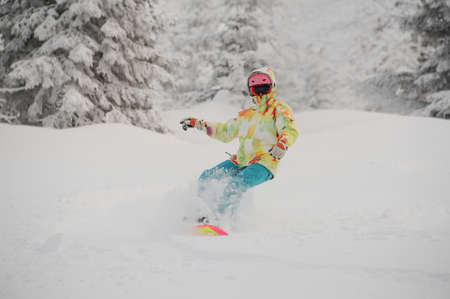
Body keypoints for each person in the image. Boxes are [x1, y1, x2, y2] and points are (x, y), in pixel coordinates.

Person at [180, 67, 298, 222]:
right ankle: (202, 214)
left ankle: (222, 220)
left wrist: (282, 143)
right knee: (207, 177)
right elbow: (224, 132)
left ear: (272, 86)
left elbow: (289, 129)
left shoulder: (279, 109)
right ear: (251, 90)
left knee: (237, 183)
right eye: (256, 87)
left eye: (264, 85)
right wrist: (199, 124)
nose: (260, 90)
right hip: (240, 160)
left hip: (264, 161)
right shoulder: (246, 115)